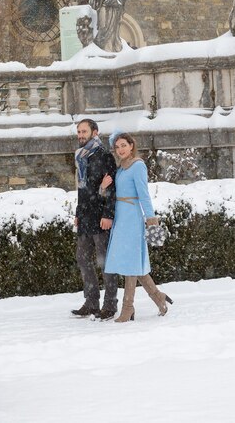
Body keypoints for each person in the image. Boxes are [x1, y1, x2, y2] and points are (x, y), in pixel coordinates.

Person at [102, 131, 173, 323]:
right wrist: (103, 187)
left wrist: (151, 220)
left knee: (131, 263)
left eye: (124, 145)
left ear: (131, 145)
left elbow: (144, 195)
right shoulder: (121, 168)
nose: (120, 149)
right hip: (121, 218)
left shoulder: (138, 166)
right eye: (117, 147)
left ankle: (128, 308)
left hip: (132, 218)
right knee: (133, 262)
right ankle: (158, 297)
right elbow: (113, 193)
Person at [71, 119, 118, 320]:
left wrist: (108, 214)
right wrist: (77, 214)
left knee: (105, 262)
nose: (81, 135)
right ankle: (91, 302)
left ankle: (110, 304)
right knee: (83, 259)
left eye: (84, 131)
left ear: (95, 132)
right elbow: (82, 190)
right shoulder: (81, 157)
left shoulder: (104, 156)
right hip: (85, 217)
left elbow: (113, 189)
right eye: (79, 132)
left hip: (101, 218)